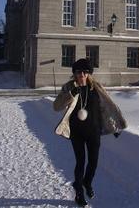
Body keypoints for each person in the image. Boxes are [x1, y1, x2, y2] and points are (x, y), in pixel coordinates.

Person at [53, 58, 127, 207]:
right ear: (74, 73)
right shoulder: (69, 87)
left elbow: (106, 108)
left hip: (94, 131)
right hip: (77, 132)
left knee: (93, 163)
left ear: (89, 74)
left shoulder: (96, 88)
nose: (82, 75)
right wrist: (71, 94)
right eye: (79, 72)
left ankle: (87, 182)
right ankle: (79, 192)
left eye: (85, 72)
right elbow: (56, 106)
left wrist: (114, 127)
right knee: (80, 162)